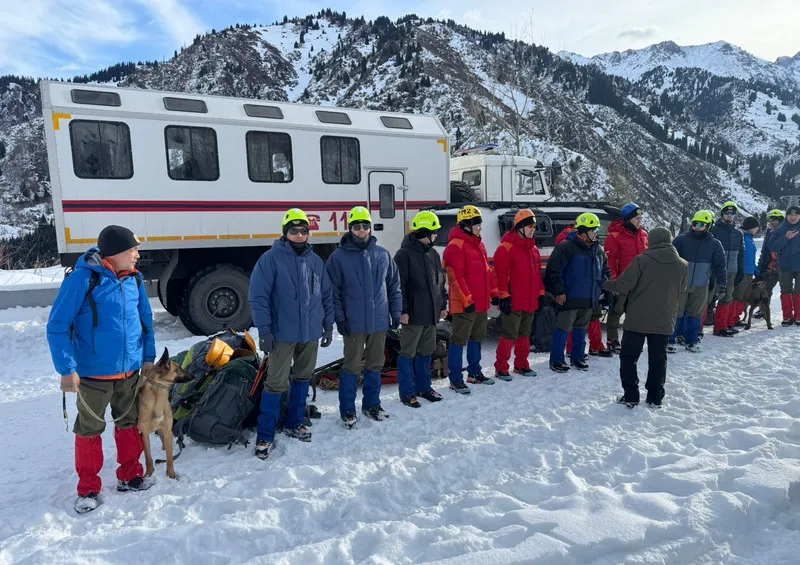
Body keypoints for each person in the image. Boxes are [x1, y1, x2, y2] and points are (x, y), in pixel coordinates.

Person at [47, 225, 156, 514]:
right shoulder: (83, 279)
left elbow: (145, 321)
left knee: (129, 423)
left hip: (129, 372)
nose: (137, 255)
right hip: (93, 375)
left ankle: (130, 475)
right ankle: (88, 489)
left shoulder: (134, 278)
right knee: (89, 430)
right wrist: (67, 369)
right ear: (116, 253)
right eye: (133, 250)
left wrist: (148, 357)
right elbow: (57, 325)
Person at [248, 209, 335, 459]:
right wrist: (265, 331)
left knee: (303, 377)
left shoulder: (315, 262)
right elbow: (259, 298)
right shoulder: (270, 260)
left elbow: (326, 296)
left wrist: (328, 326)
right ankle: (265, 434)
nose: (299, 235)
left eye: (303, 230)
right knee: (276, 383)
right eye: (294, 230)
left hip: (310, 333)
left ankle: (294, 423)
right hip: (281, 335)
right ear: (285, 233)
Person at [326, 206, 402, 427]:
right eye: (357, 226)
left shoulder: (382, 255)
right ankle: (348, 410)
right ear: (350, 228)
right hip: (353, 323)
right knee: (351, 366)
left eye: (365, 226)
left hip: (379, 321)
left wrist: (395, 312)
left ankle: (372, 405)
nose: (361, 230)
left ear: (370, 227)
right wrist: (340, 319)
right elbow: (332, 292)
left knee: (375, 364)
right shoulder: (338, 258)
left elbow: (394, 286)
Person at [602, 227, 688, 408]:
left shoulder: (641, 260)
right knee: (658, 359)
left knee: (629, 358)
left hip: (637, 319)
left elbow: (624, 284)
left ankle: (631, 395)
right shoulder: (682, 265)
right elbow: (682, 289)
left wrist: (604, 284)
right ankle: (655, 397)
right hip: (664, 319)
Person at [393, 211, 448, 407]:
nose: (436, 236)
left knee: (426, 351)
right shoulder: (404, 255)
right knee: (407, 353)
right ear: (424, 232)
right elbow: (399, 286)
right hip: (413, 316)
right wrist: (403, 311)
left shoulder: (433, 254)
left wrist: (442, 305)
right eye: (433, 232)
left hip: (430, 314)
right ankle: (407, 392)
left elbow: (440, 282)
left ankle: (424, 387)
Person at [545, 213, 611, 373]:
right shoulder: (566, 247)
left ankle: (578, 357)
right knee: (563, 329)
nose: (596, 234)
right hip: (569, 297)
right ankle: (557, 360)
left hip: (588, 298)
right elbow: (554, 271)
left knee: (581, 329)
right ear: (583, 231)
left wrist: (608, 290)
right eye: (593, 230)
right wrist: (559, 291)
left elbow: (605, 271)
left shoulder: (597, 250)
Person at [443, 205, 497, 393]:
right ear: (466, 225)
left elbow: (487, 272)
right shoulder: (455, 246)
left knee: (477, 337)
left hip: (480, 303)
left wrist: (494, 293)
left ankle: (474, 373)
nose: (480, 228)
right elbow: (455, 277)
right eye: (477, 224)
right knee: (459, 340)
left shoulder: (479, 244)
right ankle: (455, 379)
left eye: (480, 224)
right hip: (464, 305)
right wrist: (467, 300)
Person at [492, 209, 543, 380]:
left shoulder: (533, 249)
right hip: (513, 301)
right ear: (520, 227)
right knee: (509, 334)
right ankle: (501, 368)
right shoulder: (506, 248)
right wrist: (503, 296)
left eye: (534, 226)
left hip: (530, 300)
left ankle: (521, 365)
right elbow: (498, 274)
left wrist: (540, 293)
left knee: (525, 334)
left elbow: (537, 275)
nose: (532, 229)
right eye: (530, 226)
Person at [669, 210, 726, 353]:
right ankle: (670, 339)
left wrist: (722, 284)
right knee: (677, 312)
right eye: (695, 224)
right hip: (681, 284)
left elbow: (720, 265)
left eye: (701, 224)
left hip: (701, 285)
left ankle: (692, 340)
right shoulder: (681, 240)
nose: (697, 227)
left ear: (709, 225)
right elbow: (671, 261)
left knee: (696, 314)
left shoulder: (715, 244)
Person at [604, 203, 648, 353]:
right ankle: (612, 340)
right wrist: (614, 282)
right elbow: (610, 261)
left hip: (640, 282)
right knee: (616, 312)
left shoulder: (643, 235)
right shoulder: (614, 236)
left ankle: (632, 340)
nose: (639, 220)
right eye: (637, 218)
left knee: (636, 313)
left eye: (641, 217)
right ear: (628, 219)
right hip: (623, 281)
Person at [710, 201, 745, 337]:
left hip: (731, 271)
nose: (729, 215)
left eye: (732, 213)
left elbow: (741, 253)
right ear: (722, 214)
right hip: (714, 270)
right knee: (707, 298)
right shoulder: (713, 230)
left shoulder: (738, 233)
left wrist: (740, 270)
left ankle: (721, 327)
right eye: (727, 212)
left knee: (727, 298)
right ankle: (697, 330)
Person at [768, 204, 800, 326]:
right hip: (785, 265)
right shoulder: (779, 230)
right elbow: (772, 247)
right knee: (786, 290)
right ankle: (787, 316)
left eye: (796, 215)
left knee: (799, 290)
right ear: (786, 216)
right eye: (790, 214)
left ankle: (798, 316)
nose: (793, 217)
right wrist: (786, 238)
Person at [756, 209, 785, 312]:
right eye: (770, 220)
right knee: (766, 289)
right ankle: (763, 310)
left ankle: (789, 313)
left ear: (780, 221)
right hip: (770, 267)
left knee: (786, 290)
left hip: (784, 267)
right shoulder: (769, 233)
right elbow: (764, 252)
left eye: (774, 220)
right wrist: (761, 266)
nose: (771, 222)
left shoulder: (787, 233)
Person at [736, 216, 761, 327]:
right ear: (752, 227)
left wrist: (756, 272)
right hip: (743, 272)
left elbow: (751, 259)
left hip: (749, 272)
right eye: (757, 227)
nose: (758, 230)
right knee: (739, 296)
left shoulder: (749, 238)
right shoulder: (743, 238)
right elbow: (745, 258)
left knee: (744, 296)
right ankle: (733, 318)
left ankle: (736, 317)